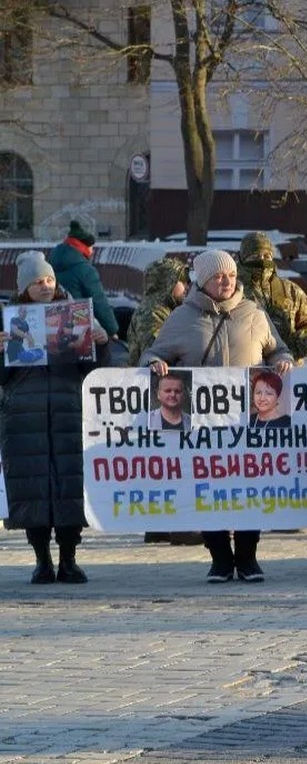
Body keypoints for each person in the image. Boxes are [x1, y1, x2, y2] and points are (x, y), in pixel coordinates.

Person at [140, 249, 295, 583]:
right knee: (209, 490)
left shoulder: (254, 313)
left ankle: (248, 558)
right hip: (202, 426)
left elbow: (278, 349)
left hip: (248, 422)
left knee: (248, 488)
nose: (227, 282)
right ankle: (221, 559)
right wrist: (154, 364)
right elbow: (152, 353)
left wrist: (283, 361)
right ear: (203, 280)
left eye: (232, 275)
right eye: (219, 276)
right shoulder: (182, 318)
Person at [0, 250, 110, 584]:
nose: (46, 286)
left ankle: (69, 558)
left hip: (68, 411)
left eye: (49, 279)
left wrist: (100, 343)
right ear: (24, 288)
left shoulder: (77, 315)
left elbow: (95, 371)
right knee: (33, 490)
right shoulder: (9, 320)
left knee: (69, 488)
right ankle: (41, 559)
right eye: (37, 282)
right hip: (24, 416)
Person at [127, 256, 199, 546]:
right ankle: (176, 527)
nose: (186, 286)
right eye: (182, 280)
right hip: (155, 394)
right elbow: (158, 351)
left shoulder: (160, 310)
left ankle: (157, 525)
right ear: (170, 283)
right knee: (171, 461)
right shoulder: (155, 314)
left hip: (154, 394)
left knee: (161, 461)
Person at [237, 231, 307, 365]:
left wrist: (297, 347)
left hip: (288, 370)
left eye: (267, 255)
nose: (262, 260)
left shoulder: (289, 290)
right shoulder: (233, 290)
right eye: (256, 256)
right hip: (247, 370)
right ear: (243, 258)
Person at [47, 219, 120, 339]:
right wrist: (112, 330)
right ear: (84, 247)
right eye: (92, 247)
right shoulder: (84, 269)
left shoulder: (50, 261)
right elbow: (98, 302)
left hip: (52, 324)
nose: (93, 251)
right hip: (79, 325)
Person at [126, 256, 190, 365]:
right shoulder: (152, 313)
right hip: (150, 379)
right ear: (167, 282)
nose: (187, 286)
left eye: (188, 281)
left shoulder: (169, 309)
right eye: (182, 280)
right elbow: (155, 353)